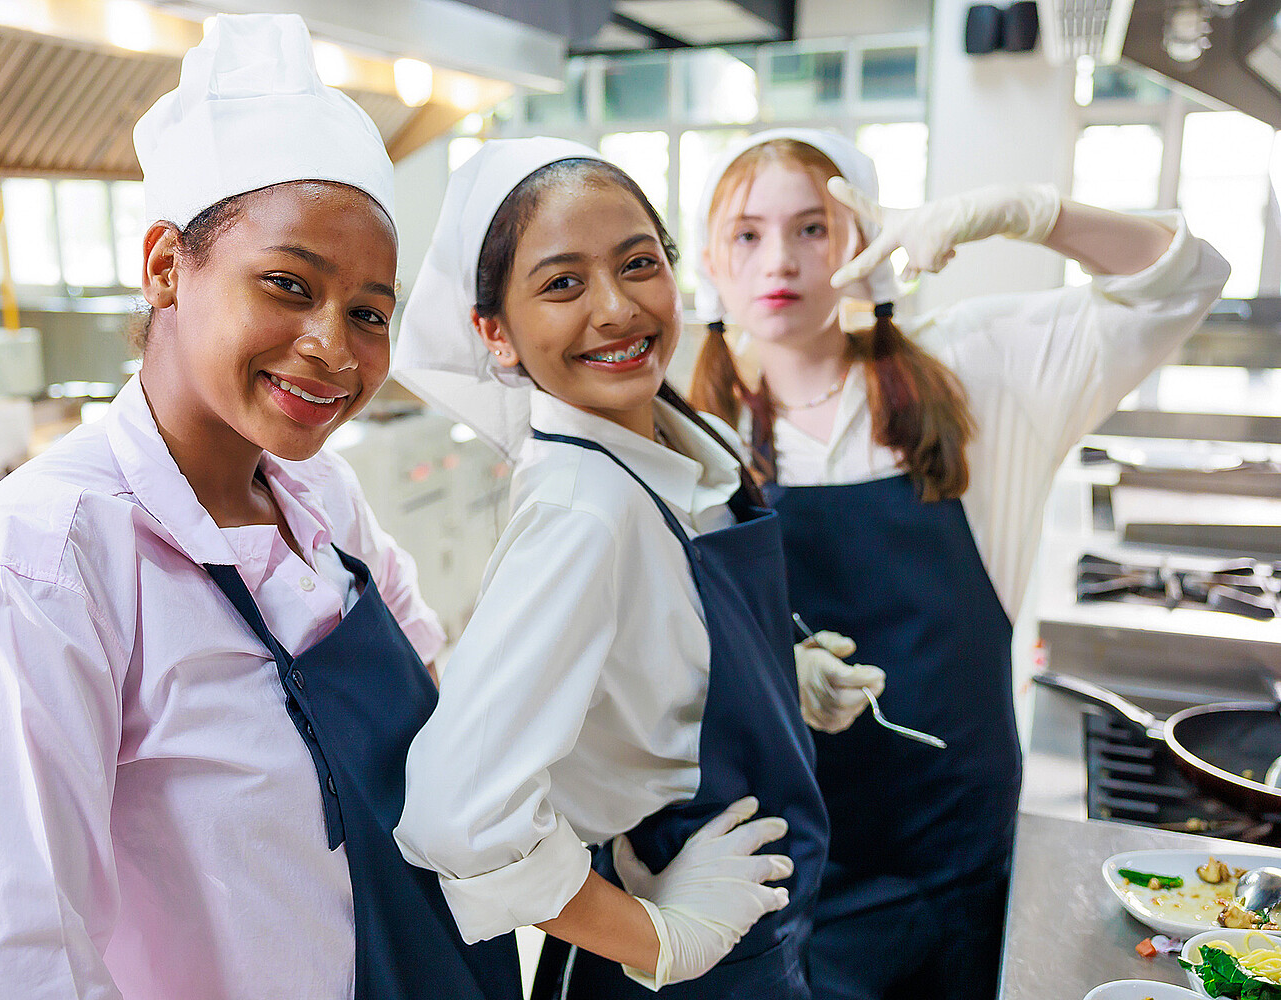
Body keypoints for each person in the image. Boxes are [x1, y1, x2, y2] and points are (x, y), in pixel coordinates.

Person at [0, 15, 520, 999]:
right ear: (164, 267)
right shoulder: (42, 566)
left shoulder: (323, 499)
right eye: (287, 284)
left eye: (367, 311)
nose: (332, 347)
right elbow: (11, 970)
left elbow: (446, 731)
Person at [691, 127, 1231, 999]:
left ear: (862, 241)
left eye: (813, 227)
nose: (778, 259)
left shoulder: (975, 368)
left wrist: (1029, 213)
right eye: (747, 234)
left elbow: (1184, 278)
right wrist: (763, 674)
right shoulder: (689, 434)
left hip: (956, 856)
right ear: (712, 260)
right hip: (781, 865)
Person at [392, 138, 873, 999]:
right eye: (563, 283)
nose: (615, 308)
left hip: (752, 936)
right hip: (668, 967)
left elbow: (659, 656)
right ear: (494, 334)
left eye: (638, 264)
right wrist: (656, 936)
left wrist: (774, 677)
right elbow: (457, 812)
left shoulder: (674, 444)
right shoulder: (584, 510)